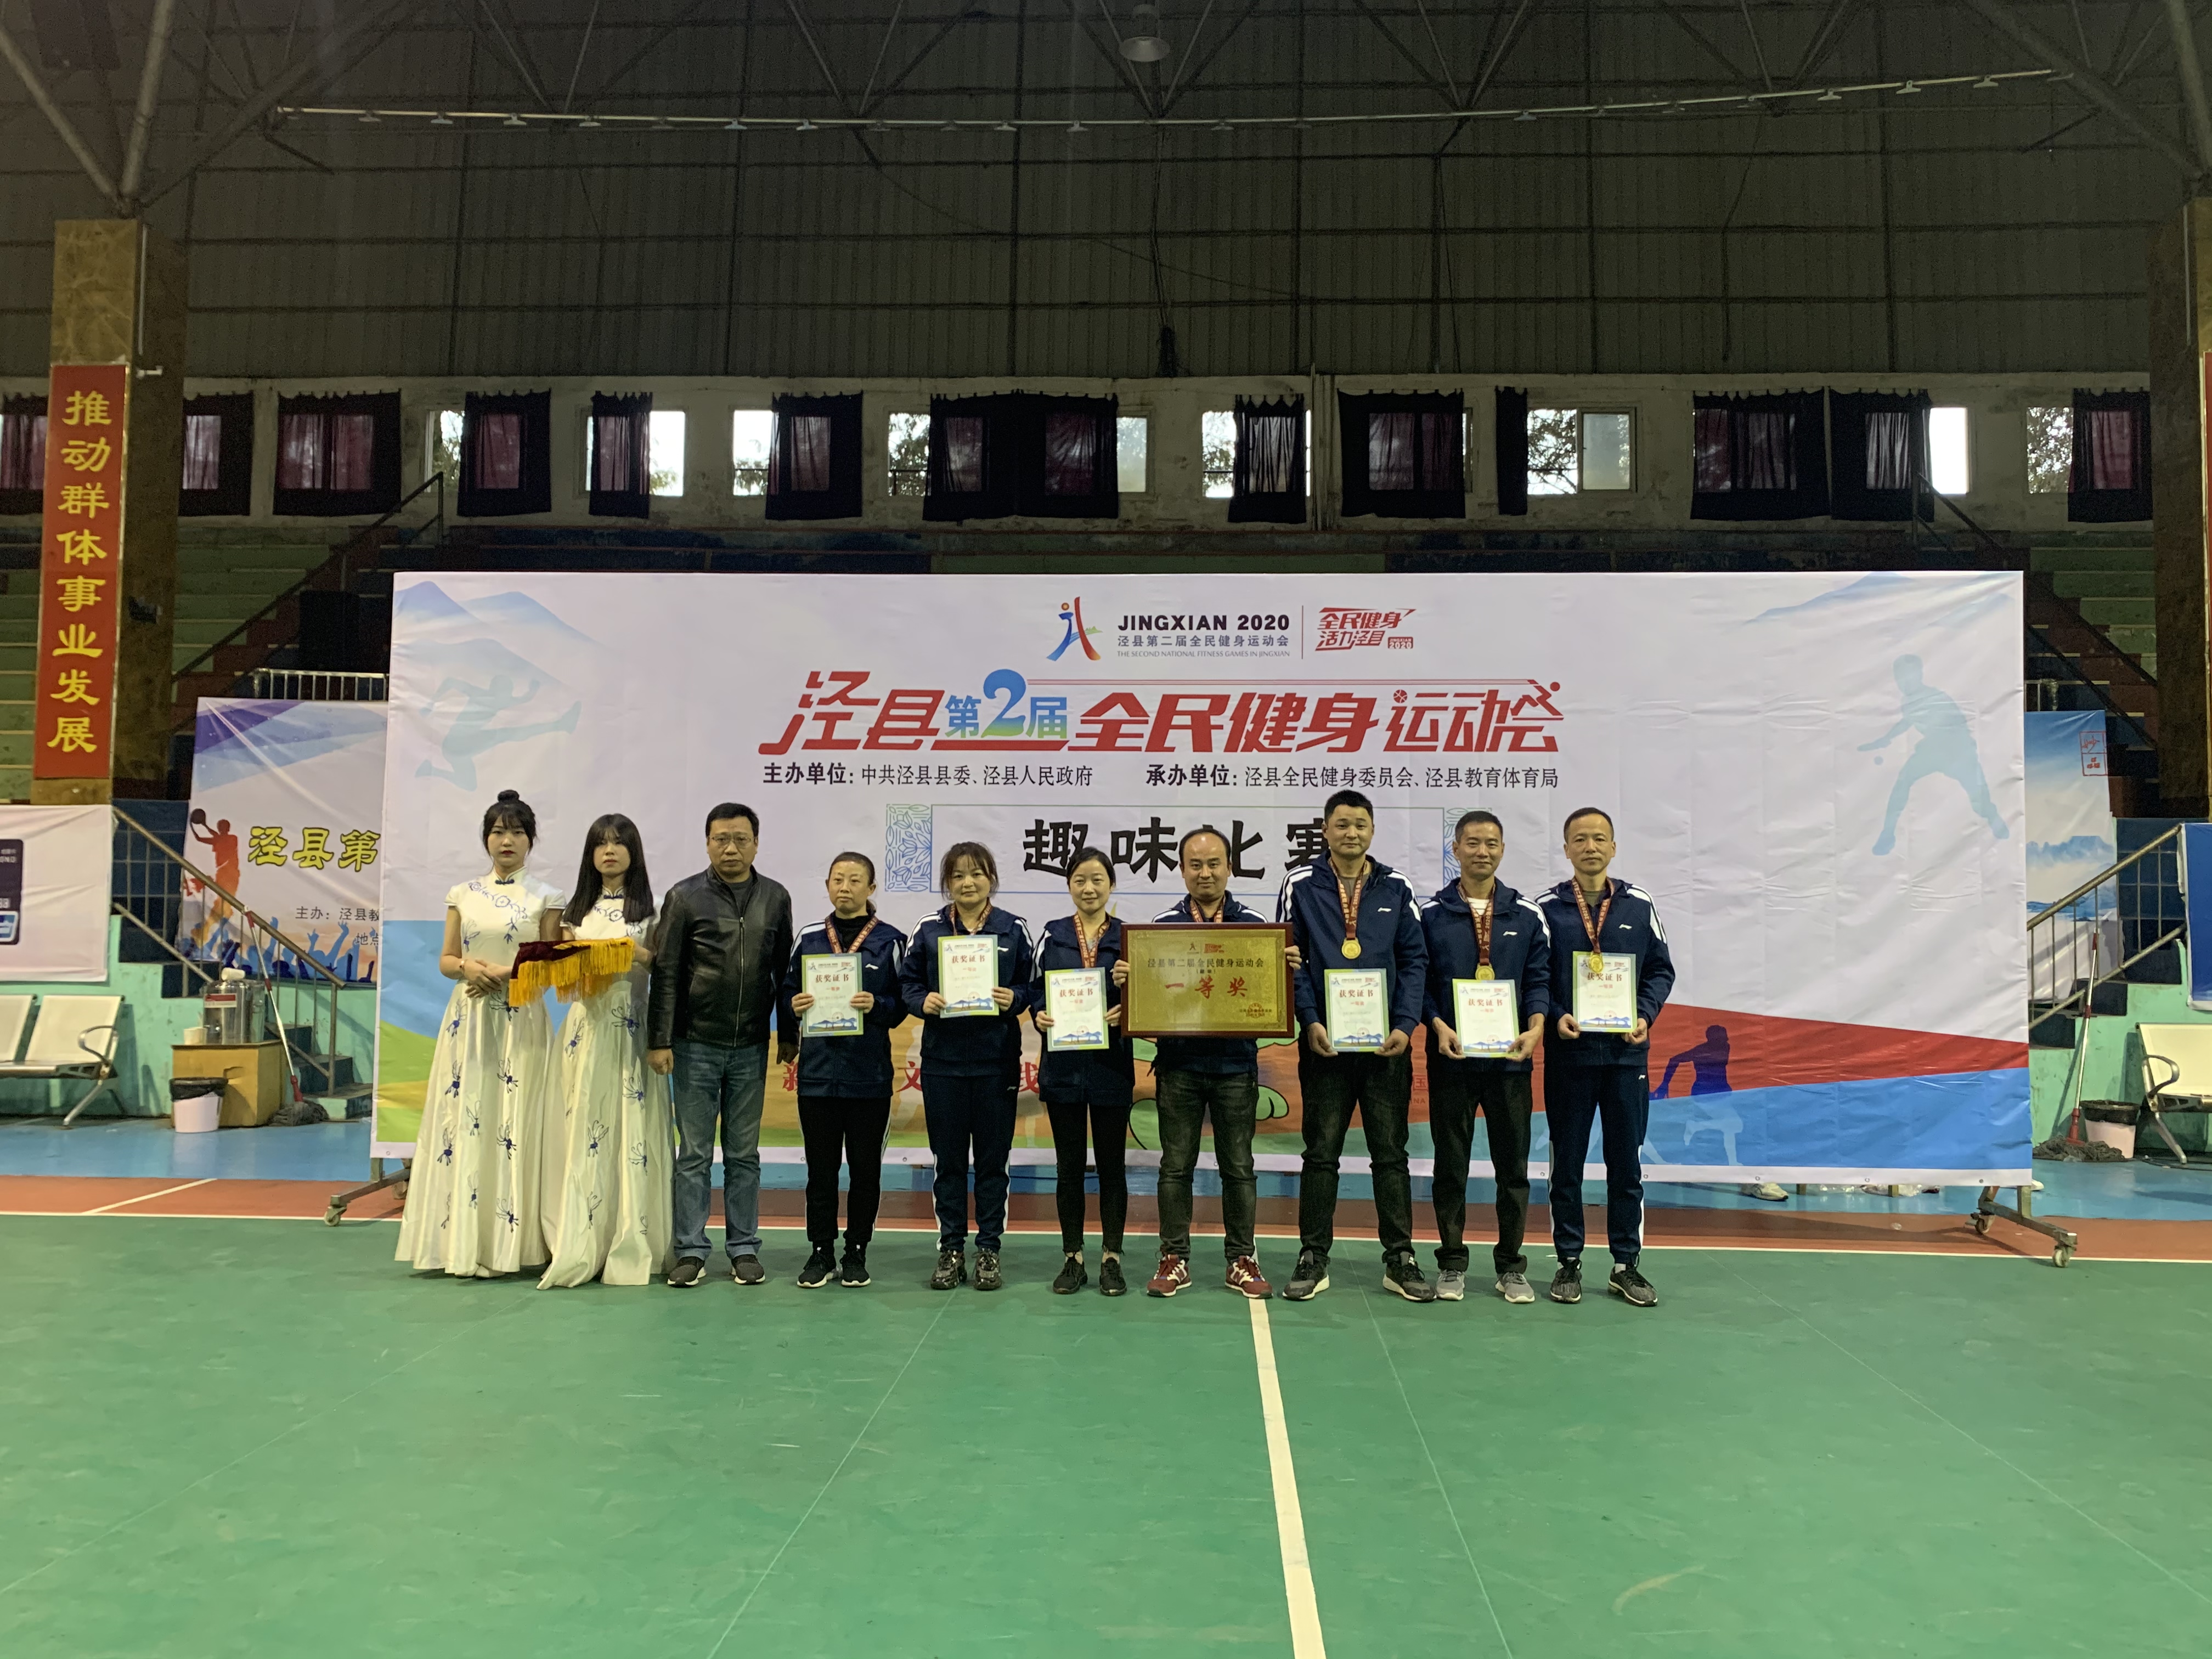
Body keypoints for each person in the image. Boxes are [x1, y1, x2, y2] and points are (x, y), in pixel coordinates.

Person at [396, 790, 562, 1277]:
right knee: (469, 1117)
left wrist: (510, 975)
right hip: (469, 1021)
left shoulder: (548, 897)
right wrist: (469, 967)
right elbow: (447, 960)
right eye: (498, 832)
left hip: (523, 1017)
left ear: (531, 840)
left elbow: (551, 966)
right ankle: (461, 1241)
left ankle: (516, 1243)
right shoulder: (462, 894)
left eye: (517, 832)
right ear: (486, 839)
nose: (507, 841)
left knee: (516, 1119)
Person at [1276, 790, 1434, 1303]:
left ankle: (1400, 1257)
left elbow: (1415, 960)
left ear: (1372, 831)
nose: (1352, 833)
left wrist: (1405, 1025)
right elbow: (1291, 959)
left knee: (1390, 1155)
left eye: (1360, 824)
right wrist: (1310, 1020)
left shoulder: (1397, 887)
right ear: (1324, 830)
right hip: (1325, 1045)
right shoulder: (1300, 884)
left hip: (1387, 1046)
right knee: (1321, 1154)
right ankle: (1313, 1255)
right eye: (1342, 824)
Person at [1144, 827, 1299, 1301]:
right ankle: (1174, 1257)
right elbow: (1152, 998)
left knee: (1239, 1168)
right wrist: (1133, 980)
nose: (1205, 873)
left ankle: (1241, 1258)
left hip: (1235, 1066)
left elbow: (1269, 993)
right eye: (1195, 865)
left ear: (1230, 867)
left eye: (1214, 864)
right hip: (1179, 1066)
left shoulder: (1256, 927)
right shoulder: (1162, 928)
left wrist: (1285, 970)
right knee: (1176, 1167)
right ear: (1182, 870)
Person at [647, 803, 795, 1289]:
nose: (731, 849)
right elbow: (667, 972)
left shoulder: (775, 897)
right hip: (695, 1044)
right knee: (693, 1153)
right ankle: (690, 1249)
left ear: (757, 843)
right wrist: (660, 1040)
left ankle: (743, 1248)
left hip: (751, 1044)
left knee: (743, 1153)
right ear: (707, 843)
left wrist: (788, 1033)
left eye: (740, 839)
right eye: (721, 840)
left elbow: (784, 972)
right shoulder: (684, 896)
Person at [1539, 807, 1675, 1308]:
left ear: (1614, 847)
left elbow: (1661, 970)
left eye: (1599, 838)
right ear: (1566, 849)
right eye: (1580, 839)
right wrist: (1557, 1016)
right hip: (1570, 1056)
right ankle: (1568, 1261)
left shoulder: (1640, 904)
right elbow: (1536, 977)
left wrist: (1644, 1014)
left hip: (1625, 1057)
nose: (1590, 847)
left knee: (1626, 1165)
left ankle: (1625, 1264)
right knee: (1567, 1164)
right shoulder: (1547, 909)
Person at [1421, 810, 1550, 1304]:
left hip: (1510, 1063)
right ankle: (1451, 1262)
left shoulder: (1526, 915)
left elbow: (1539, 979)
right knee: (1451, 1166)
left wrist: (1536, 1027)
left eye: (1491, 843)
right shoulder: (1431, 914)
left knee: (1513, 1168)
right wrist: (1437, 1025)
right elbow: (1421, 983)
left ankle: (1511, 1266)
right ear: (1455, 849)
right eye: (1472, 842)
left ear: (1502, 849)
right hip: (1452, 1061)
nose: (1482, 851)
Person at [540, 814, 674, 1288]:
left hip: (633, 1026)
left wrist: (634, 953)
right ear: (591, 854)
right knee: (584, 1125)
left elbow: (664, 968)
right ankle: (580, 1240)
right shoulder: (574, 912)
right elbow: (557, 971)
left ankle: (632, 1238)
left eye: (619, 843)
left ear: (634, 852)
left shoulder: (652, 911)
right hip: (585, 1027)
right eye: (601, 844)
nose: (610, 851)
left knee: (632, 1129)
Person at [898, 842, 1036, 1293]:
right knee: (949, 1162)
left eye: (977, 873)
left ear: (991, 878)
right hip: (943, 1064)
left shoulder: (1013, 928)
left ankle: (989, 1248)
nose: (968, 882)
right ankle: (951, 1248)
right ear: (947, 883)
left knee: (994, 1162)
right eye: (958, 875)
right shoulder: (929, 929)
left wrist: (1014, 998)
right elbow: (906, 984)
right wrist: (923, 1001)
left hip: (996, 1063)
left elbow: (1033, 985)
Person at [782, 851, 909, 1289]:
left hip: (868, 1077)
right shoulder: (810, 939)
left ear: (871, 889)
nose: (845, 887)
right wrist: (795, 1006)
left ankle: (857, 1252)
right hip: (818, 1077)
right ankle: (821, 1251)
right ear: (827, 886)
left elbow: (904, 1003)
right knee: (820, 1172)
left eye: (855, 880)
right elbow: (786, 993)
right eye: (838, 879)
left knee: (865, 1172)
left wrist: (878, 1005)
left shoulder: (891, 941)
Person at [1030, 848, 1135, 1296]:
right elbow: (1034, 990)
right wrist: (1038, 1014)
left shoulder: (1129, 937)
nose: (1089, 889)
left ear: (1111, 885)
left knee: (1112, 1167)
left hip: (1111, 1066)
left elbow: (1149, 995)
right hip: (1064, 1068)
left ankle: (1112, 1258)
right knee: (1069, 1167)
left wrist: (1128, 1010)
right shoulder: (1052, 935)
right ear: (1069, 886)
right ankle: (1073, 1257)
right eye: (1080, 880)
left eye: (1097, 880)